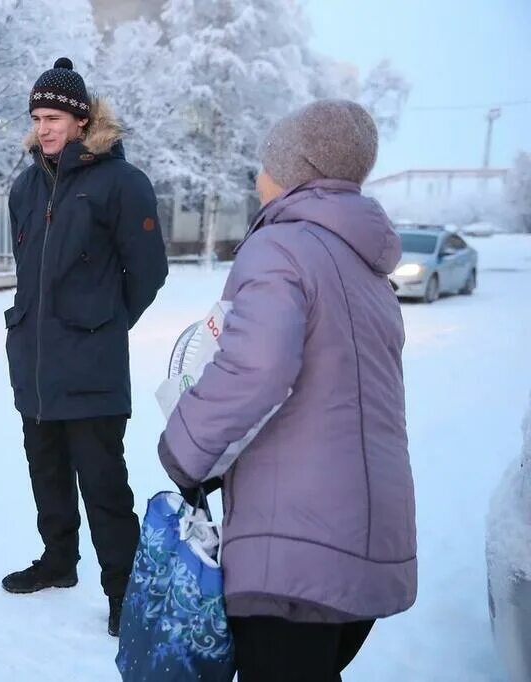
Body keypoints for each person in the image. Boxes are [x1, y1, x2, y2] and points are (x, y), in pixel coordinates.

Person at [158, 99, 417, 681]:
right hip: (364, 537)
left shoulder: (280, 247)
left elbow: (259, 368)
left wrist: (183, 446)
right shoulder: (366, 268)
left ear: (295, 170)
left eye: (265, 164)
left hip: (296, 542)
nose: (257, 177)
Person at [1, 57, 168, 636]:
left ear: (80, 119)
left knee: (103, 484)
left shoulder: (122, 183)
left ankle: (125, 591)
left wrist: (104, 321)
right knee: (45, 470)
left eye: (53, 117)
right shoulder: (24, 186)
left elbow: (147, 272)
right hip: (35, 363)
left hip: (91, 364)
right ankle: (58, 561)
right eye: (36, 117)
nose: (43, 128)